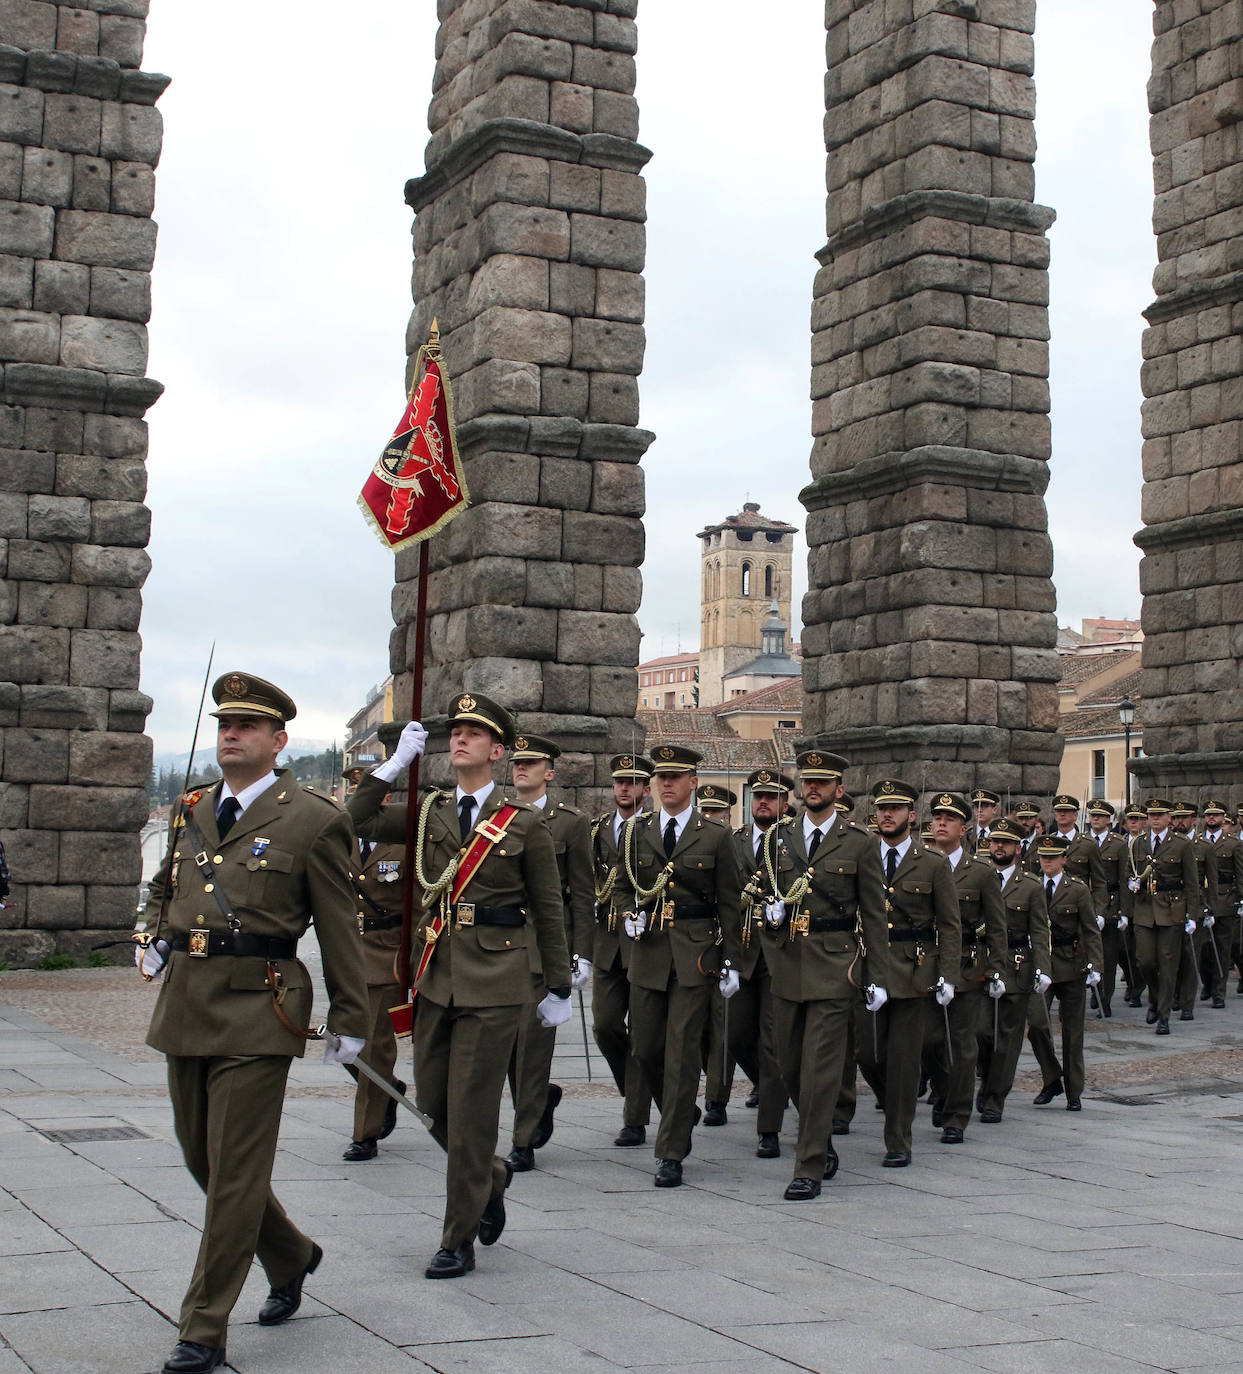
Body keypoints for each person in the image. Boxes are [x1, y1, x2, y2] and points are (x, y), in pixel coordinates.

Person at [140, 672, 370, 1374]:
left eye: (246, 725)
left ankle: (202, 1326)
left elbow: (338, 930)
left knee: (236, 1174)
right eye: (223, 724)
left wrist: (352, 1019)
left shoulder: (312, 819)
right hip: (188, 1000)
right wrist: (149, 933)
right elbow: (161, 890)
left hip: (259, 1006)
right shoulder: (192, 810)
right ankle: (292, 1254)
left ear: (278, 741)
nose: (230, 733)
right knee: (202, 1160)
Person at [348, 693, 571, 1278]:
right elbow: (358, 818)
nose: (460, 739)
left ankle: (457, 1237)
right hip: (436, 976)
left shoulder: (522, 823)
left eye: (474, 732)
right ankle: (490, 1177)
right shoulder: (430, 814)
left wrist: (558, 985)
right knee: (433, 1103)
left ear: (497, 751)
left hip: (497, 979)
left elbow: (549, 911)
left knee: (472, 1112)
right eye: (456, 731)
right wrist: (392, 766)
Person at [759, 750, 888, 1198]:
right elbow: (762, 895)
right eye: (806, 781)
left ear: (839, 789)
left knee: (820, 1070)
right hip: (787, 963)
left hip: (836, 966)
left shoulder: (859, 842)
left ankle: (808, 1165)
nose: (812, 788)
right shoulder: (778, 839)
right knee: (788, 1065)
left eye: (822, 782)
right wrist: (768, 914)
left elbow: (873, 914)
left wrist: (876, 975)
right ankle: (821, 1136)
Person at [622, 744, 742, 1188]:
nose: (666, 784)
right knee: (645, 1048)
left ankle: (671, 1149)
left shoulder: (714, 835)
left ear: (693, 781)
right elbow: (620, 886)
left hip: (694, 954)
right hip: (649, 952)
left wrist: (731, 960)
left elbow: (730, 902)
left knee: (682, 1053)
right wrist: (627, 913)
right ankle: (680, 1109)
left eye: (675, 777)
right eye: (660, 777)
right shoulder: (638, 831)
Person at [501, 734, 594, 1172]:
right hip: (499, 949)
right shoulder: (496, 817)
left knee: (533, 1049)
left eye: (532, 763)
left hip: (543, 949)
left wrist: (580, 954)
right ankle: (537, 1105)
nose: (522, 769)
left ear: (549, 772)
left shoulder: (570, 822)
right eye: (517, 762)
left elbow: (582, 894)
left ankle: (523, 1141)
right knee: (504, 1050)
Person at [856, 779, 960, 1168]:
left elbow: (950, 925)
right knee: (866, 1052)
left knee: (903, 1060)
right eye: (883, 808)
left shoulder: (931, 863)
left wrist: (948, 975)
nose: (887, 814)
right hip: (869, 967)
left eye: (896, 809)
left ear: (911, 816)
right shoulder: (861, 855)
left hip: (914, 971)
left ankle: (898, 1138)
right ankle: (891, 1099)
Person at [924, 792, 1006, 1144]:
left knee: (962, 1043)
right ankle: (943, 1089)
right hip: (925, 965)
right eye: (937, 818)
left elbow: (997, 925)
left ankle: (957, 1114)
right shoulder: (920, 864)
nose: (941, 823)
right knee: (927, 1041)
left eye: (950, 818)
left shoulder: (981, 872)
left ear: (964, 828)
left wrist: (997, 970)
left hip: (968, 967)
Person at [721, 769, 793, 1159]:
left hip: (782, 951)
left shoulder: (795, 841)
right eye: (758, 795)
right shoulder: (735, 841)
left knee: (772, 1041)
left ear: (787, 802)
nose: (762, 801)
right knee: (734, 1036)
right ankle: (771, 1086)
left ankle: (769, 1127)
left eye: (771, 796)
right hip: (744, 948)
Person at [340, 763, 407, 1163]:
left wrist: (412, 958)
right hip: (347, 951)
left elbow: (417, 902)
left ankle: (365, 1134)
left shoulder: (401, 840)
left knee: (375, 1047)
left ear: (386, 797)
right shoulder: (339, 836)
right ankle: (388, 1090)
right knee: (341, 1043)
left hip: (386, 954)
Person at [590, 754, 655, 1146]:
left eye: (632, 783)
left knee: (645, 1035)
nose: (624, 789)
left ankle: (635, 1118)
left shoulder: (653, 830)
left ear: (645, 789)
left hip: (645, 940)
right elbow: (584, 886)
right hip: (605, 942)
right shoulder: (597, 830)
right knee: (606, 1026)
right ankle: (643, 1091)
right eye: (619, 782)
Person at [974, 819, 1051, 1124]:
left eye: (1006, 842)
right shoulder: (977, 876)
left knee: (1008, 1039)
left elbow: (1040, 931)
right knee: (979, 1031)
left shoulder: (1030, 885)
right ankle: (985, 1076)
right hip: (981, 962)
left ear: (1018, 849)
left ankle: (995, 1097)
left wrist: (1043, 969)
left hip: (1017, 964)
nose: (999, 847)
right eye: (995, 842)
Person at [1025, 834, 1103, 1111]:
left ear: (1064, 860)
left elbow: (1090, 930)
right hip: (1040, 965)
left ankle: (1074, 1090)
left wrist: (1095, 965)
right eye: (1043, 857)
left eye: (1052, 857)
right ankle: (1051, 1077)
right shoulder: (1031, 886)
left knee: (1072, 1032)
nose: (1047, 862)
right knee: (1035, 1025)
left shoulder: (1077, 889)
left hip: (1071, 964)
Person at [1129, 798, 1199, 1034]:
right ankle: (1156, 997)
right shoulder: (1138, 843)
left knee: (1168, 963)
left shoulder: (1181, 844)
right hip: (1145, 909)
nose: (1155, 819)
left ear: (1169, 818)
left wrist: (1192, 915)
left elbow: (1192, 883)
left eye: (1160, 815)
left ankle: (1164, 1015)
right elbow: (1132, 871)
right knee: (1145, 961)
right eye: (1151, 815)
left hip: (1172, 909)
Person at [696, 784, 742, 1125]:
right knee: (696, 1031)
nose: (711, 816)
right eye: (706, 811)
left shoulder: (737, 844)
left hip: (727, 941)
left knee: (722, 1025)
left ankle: (716, 1097)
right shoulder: (694, 840)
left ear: (728, 814)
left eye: (717, 812)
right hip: (696, 945)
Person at [1085, 800, 1131, 1017]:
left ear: (1108, 820)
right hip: (1086, 902)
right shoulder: (1082, 841)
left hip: (1111, 903)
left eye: (1100, 816)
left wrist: (1124, 910)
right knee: (1087, 950)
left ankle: (1105, 996)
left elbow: (1123, 878)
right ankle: (1095, 987)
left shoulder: (1118, 844)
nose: (1096, 819)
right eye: (1093, 815)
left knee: (1109, 954)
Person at [1202, 801, 1243, 1008]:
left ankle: (1219, 992)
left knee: (1222, 947)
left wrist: (1241, 900)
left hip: (1225, 900)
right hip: (1202, 899)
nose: (1212, 818)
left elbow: (1240, 873)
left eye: (1216, 815)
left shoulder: (1233, 843)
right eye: (1209, 815)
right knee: (1203, 949)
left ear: (1223, 818)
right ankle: (1207, 983)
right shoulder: (1197, 842)